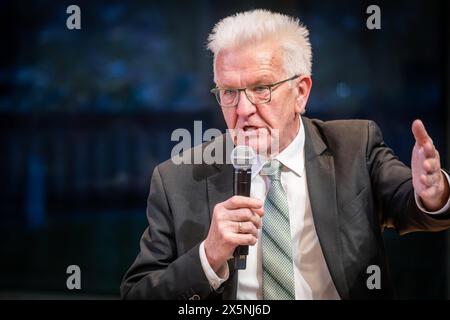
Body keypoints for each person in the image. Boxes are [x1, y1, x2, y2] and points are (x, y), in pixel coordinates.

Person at [120, 9, 450, 300]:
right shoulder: (177, 178)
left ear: (300, 92)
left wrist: (434, 193)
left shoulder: (354, 146)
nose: (244, 109)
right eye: (229, 93)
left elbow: (412, 206)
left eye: (261, 89)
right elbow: (137, 293)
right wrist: (209, 256)